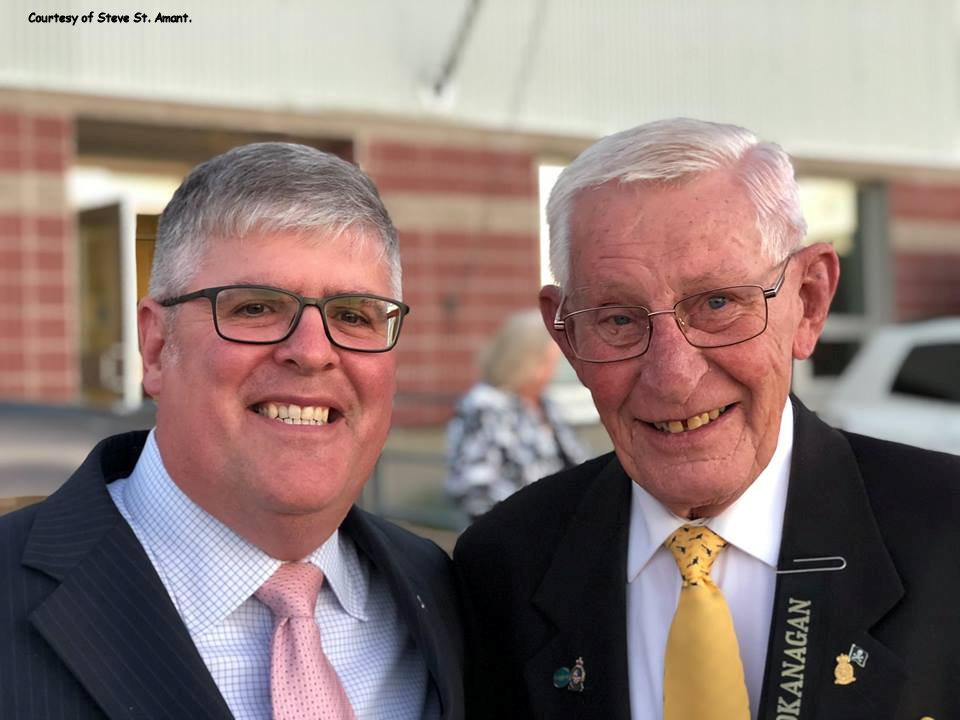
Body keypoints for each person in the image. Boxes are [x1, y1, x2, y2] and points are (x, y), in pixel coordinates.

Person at [453, 118, 960, 720]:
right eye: (617, 319)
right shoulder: (504, 567)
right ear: (564, 334)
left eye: (718, 303)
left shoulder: (948, 536)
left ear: (809, 302)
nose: (672, 375)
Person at [0, 143, 463, 719]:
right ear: (156, 345)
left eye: (353, 315)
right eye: (255, 308)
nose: (313, 352)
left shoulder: (452, 596)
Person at [445, 310, 589, 521]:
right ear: (525, 361)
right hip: (515, 538)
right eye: (548, 363)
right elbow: (474, 489)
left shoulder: (544, 403)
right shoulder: (485, 406)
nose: (552, 372)